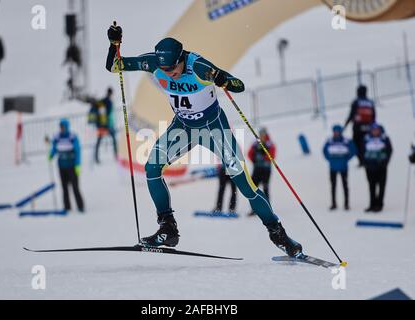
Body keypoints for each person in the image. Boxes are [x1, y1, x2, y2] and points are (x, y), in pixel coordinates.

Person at [105, 23, 303, 257]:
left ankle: (278, 234)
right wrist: (114, 44)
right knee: (152, 167)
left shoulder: (198, 66)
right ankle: (168, 227)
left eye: (173, 69)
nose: (169, 73)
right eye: (165, 69)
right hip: (183, 128)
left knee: (245, 185)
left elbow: (238, 86)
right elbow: (115, 66)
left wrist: (222, 78)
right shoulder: (154, 62)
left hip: (214, 129)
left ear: (182, 58)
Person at [49, 119, 85, 212]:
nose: (61, 128)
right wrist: (51, 155)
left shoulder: (72, 137)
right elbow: (54, 148)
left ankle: (80, 206)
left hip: (72, 166)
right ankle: (67, 207)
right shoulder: (57, 137)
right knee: (64, 188)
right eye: (60, 127)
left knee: (75, 187)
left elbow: (77, 151)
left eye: (63, 127)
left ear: (66, 127)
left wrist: (77, 164)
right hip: (61, 166)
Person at [322, 124, 356, 211]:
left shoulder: (346, 141)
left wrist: (346, 159)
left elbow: (353, 150)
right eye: (335, 132)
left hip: (343, 167)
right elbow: (325, 151)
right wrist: (330, 160)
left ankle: (346, 203)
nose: (336, 133)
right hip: (332, 167)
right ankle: (333, 203)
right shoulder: (329, 141)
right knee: (333, 186)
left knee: (345, 185)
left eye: (337, 132)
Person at [363, 123, 392, 213]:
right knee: (371, 186)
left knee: (381, 186)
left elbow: (389, 151)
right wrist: (365, 163)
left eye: (377, 130)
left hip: (381, 167)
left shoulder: (384, 139)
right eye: (374, 130)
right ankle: (372, 204)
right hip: (370, 167)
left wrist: (385, 162)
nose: (375, 132)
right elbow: (361, 151)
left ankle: (379, 204)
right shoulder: (366, 139)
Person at [344, 85, 376, 166]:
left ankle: (361, 160)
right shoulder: (370, 102)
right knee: (367, 143)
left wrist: (346, 125)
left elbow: (351, 114)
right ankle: (367, 159)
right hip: (368, 126)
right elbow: (374, 116)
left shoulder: (356, 102)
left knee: (356, 144)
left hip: (357, 127)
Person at [247, 127, 276, 216]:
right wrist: (254, 159)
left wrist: (264, 157)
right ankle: (254, 208)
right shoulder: (256, 144)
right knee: (253, 188)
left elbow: (272, 154)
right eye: (260, 134)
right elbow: (249, 153)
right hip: (257, 169)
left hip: (266, 169)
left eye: (263, 134)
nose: (262, 136)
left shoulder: (269, 144)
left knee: (265, 188)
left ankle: (268, 209)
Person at [88, 88, 118, 163]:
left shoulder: (101, 101)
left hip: (102, 125)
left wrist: (93, 121)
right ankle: (116, 156)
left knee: (99, 141)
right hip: (107, 125)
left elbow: (94, 109)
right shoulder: (107, 102)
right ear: (111, 93)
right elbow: (108, 114)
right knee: (113, 140)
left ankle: (96, 158)